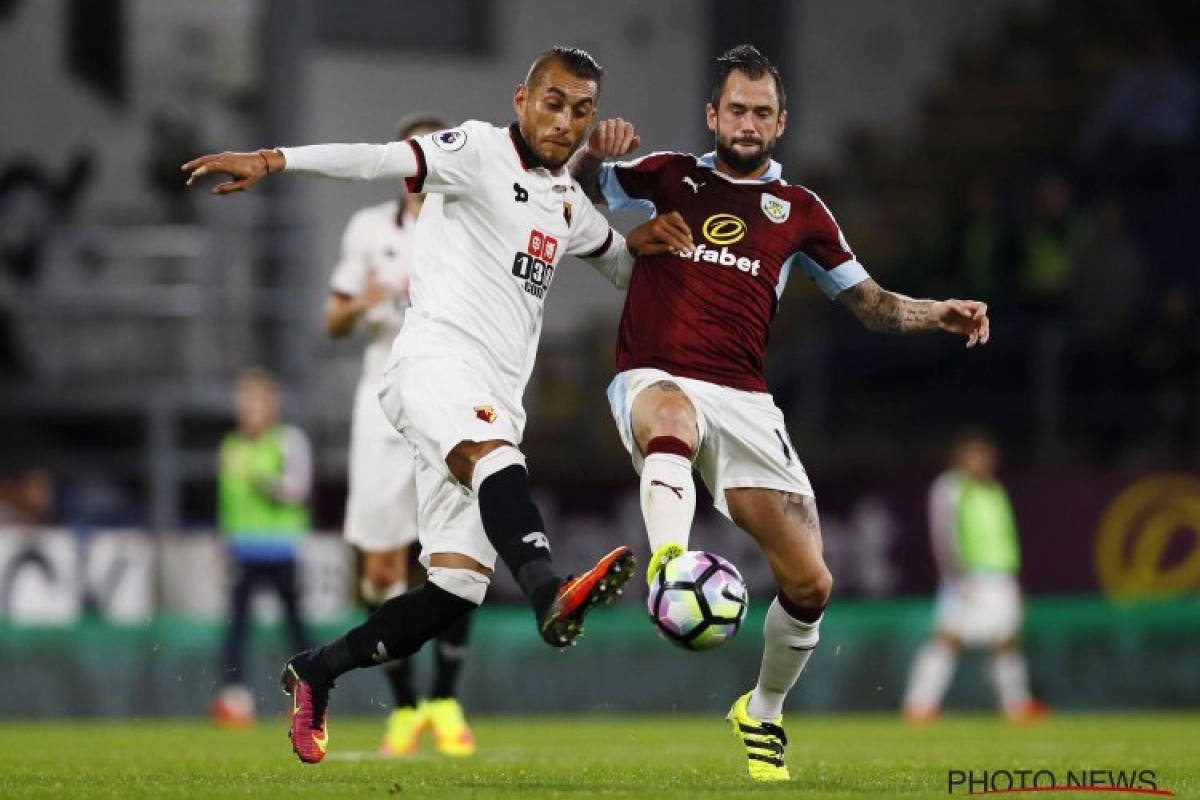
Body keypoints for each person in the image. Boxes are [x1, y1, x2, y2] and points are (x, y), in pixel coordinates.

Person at [183, 46, 690, 764]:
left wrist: (658, 228)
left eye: (582, 110)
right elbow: (374, 159)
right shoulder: (477, 151)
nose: (565, 121)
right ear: (522, 98)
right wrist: (272, 160)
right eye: (553, 102)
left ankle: (314, 673)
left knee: (454, 590)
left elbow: (622, 265)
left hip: (492, 397)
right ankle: (548, 590)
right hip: (433, 366)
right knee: (496, 462)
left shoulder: (568, 202)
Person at [570, 44, 990, 781]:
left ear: (781, 122)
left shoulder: (800, 212)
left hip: (745, 400)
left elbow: (872, 305)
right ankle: (670, 565)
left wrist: (937, 314)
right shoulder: (666, 174)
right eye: (737, 108)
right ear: (713, 113)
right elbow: (563, 189)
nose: (749, 122)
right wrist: (586, 150)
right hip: (656, 373)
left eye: (763, 112)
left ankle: (761, 711)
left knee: (811, 584)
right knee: (667, 412)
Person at [324, 111, 477, 757]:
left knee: (457, 557)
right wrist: (366, 300)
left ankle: (444, 700)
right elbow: (331, 319)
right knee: (381, 564)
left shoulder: (470, 226)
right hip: (382, 408)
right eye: (411, 153)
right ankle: (408, 706)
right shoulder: (368, 230)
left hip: (450, 405)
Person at [901, 427, 1046, 724]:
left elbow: (1005, 537)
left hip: (1001, 576)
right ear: (960, 458)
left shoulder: (995, 490)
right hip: (967, 577)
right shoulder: (950, 487)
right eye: (976, 455)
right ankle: (918, 705)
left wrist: (1014, 580)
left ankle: (1016, 705)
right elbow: (943, 532)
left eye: (987, 456)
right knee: (948, 638)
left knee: (1007, 640)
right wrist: (954, 574)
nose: (983, 461)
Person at [212, 367, 313, 728]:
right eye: (244, 402)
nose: (247, 410)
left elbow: (298, 488)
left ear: (271, 406)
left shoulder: (289, 441)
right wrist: (223, 544)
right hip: (243, 549)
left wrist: (259, 479)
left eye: (254, 402)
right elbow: (228, 501)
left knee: (295, 625)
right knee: (236, 626)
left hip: (281, 548)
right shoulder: (231, 445)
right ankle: (234, 697)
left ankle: (310, 690)